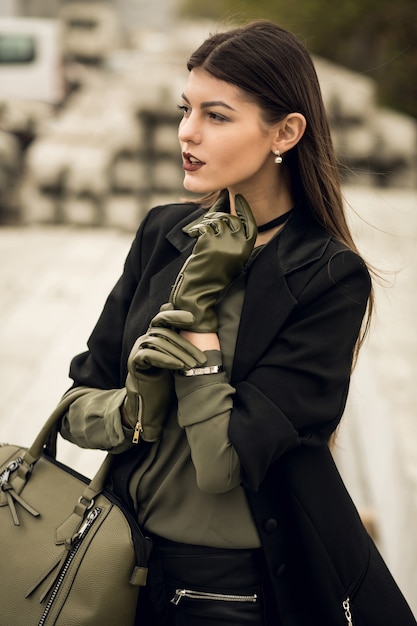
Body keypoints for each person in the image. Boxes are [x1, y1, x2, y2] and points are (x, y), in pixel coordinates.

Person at [59, 20, 416, 626]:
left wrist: (199, 345)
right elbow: (75, 405)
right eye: (185, 109)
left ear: (286, 131)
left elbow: (223, 461)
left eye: (216, 116)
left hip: (226, 595)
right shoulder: (162, 235)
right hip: (118, 569)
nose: (186, 133)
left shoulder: (327, 277)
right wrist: (133, 409)